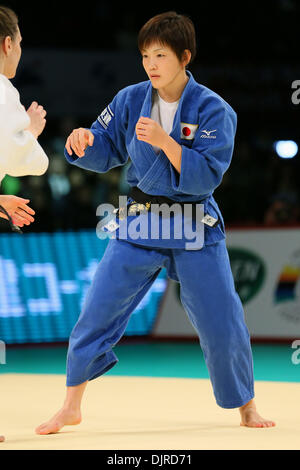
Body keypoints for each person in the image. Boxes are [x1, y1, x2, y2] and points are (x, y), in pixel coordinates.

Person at [36, 12, 275, 435]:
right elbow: (105, 146)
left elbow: (207, 174)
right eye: (146, 54)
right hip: (141, 220)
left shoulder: (214, 109)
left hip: (194, 222)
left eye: (161, 54)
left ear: (185, 57)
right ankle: (71, 404)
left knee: (222, 319)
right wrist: (83, 142)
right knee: (98, 309)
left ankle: (247, 406)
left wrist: (166, 142)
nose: (151, 63)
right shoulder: (130, 99)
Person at [0, 5, 49, 441]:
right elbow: (22, 158)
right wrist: (32, 130)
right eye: (20, 41)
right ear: (7, 43)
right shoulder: (2, 90)